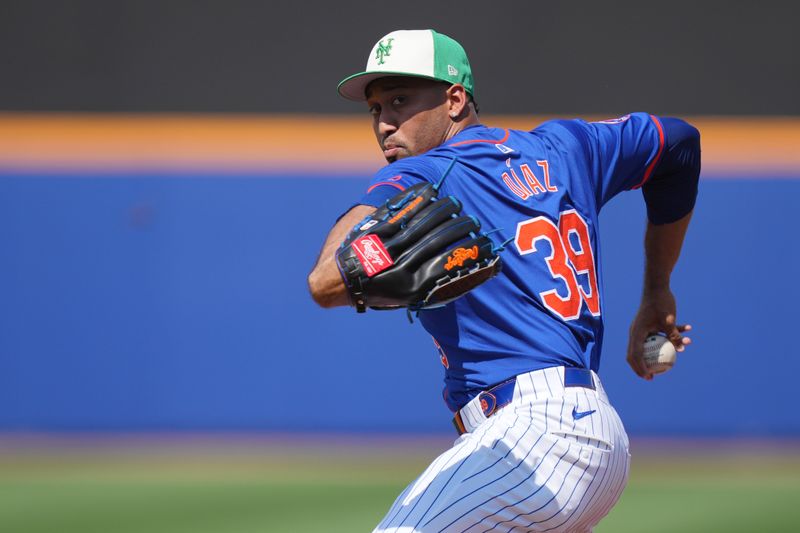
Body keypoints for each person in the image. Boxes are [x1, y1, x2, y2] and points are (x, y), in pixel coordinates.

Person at [308, 29, 699, 532]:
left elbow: (324, 281)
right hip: (588, 436)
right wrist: (657, 289)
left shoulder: (429, 173)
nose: (385, 124)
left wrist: (349, 269)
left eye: (401, 101)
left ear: (454, 100)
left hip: (533, 436)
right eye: (376, 109)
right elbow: (680, 144)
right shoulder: (569, 147)